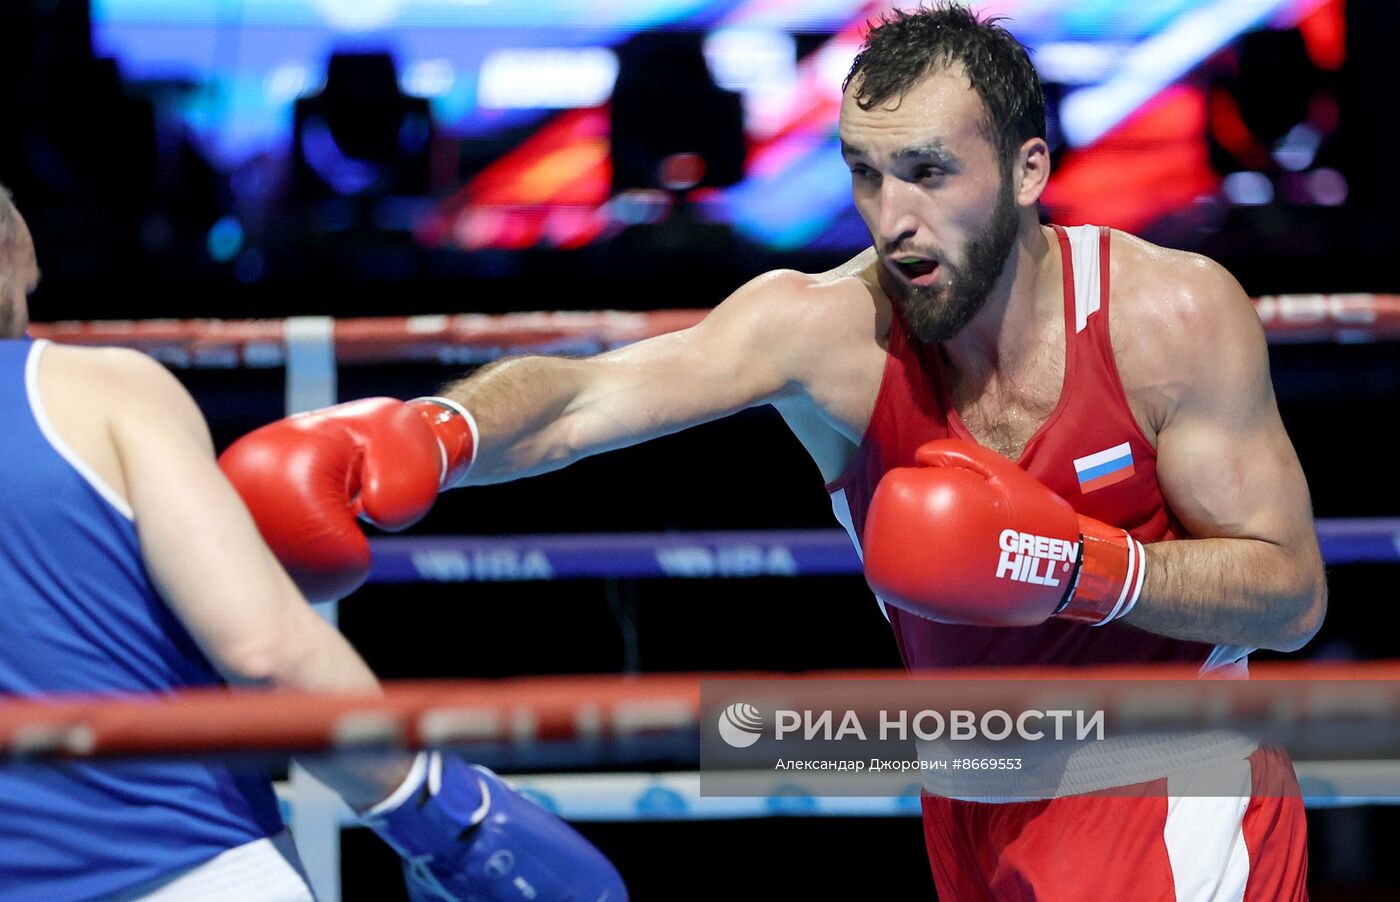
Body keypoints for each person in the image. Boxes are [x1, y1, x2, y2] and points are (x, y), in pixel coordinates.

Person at [219, 5, 1327, 899]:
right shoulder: (828, 325)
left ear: (1029, 170)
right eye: (864, 173)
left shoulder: (1167, 318)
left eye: (929, 172)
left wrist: (1076, 567)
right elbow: (588, 396)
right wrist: (435, 432)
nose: (891, 219)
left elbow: (1289, 597)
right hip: (971, 793)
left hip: (1166, 773)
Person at [0, 184, 625, 902]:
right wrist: (443, 816)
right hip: (182, 864)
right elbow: (267, 651)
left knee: (771, 734)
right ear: (20, 250)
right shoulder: (95, 390)